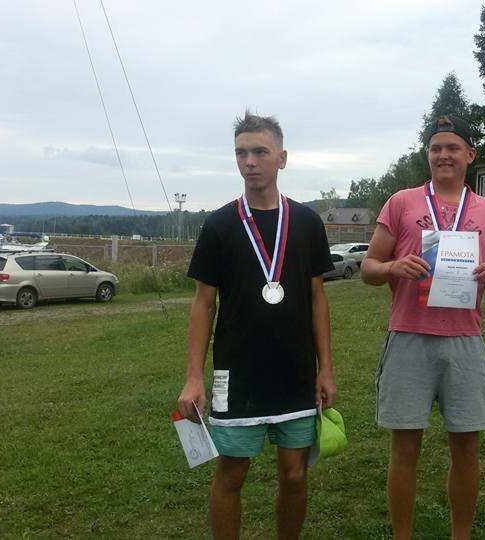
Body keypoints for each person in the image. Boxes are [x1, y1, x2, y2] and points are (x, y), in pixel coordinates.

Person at [177, 111, 336, 540]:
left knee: (295, 475)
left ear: (282, 158)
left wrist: (325, 368)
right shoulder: (220, 224)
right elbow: (203, 303)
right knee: (232, 475)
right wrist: (194, 376)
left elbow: (317, 298)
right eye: (241, 153)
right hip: (237, 373)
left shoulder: (306, 222)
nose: (250, 162)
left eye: (260, 152)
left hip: (294, 372)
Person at [360, 115, 485, 540]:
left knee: (467, 450)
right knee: (404, 450)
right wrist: (392, 267)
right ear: (428, 155)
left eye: (452, 148)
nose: (443, 155)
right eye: (435, 148)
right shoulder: (402, 202)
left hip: (465, 340)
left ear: (470, 155)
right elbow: (368, 268)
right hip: (409, 337)